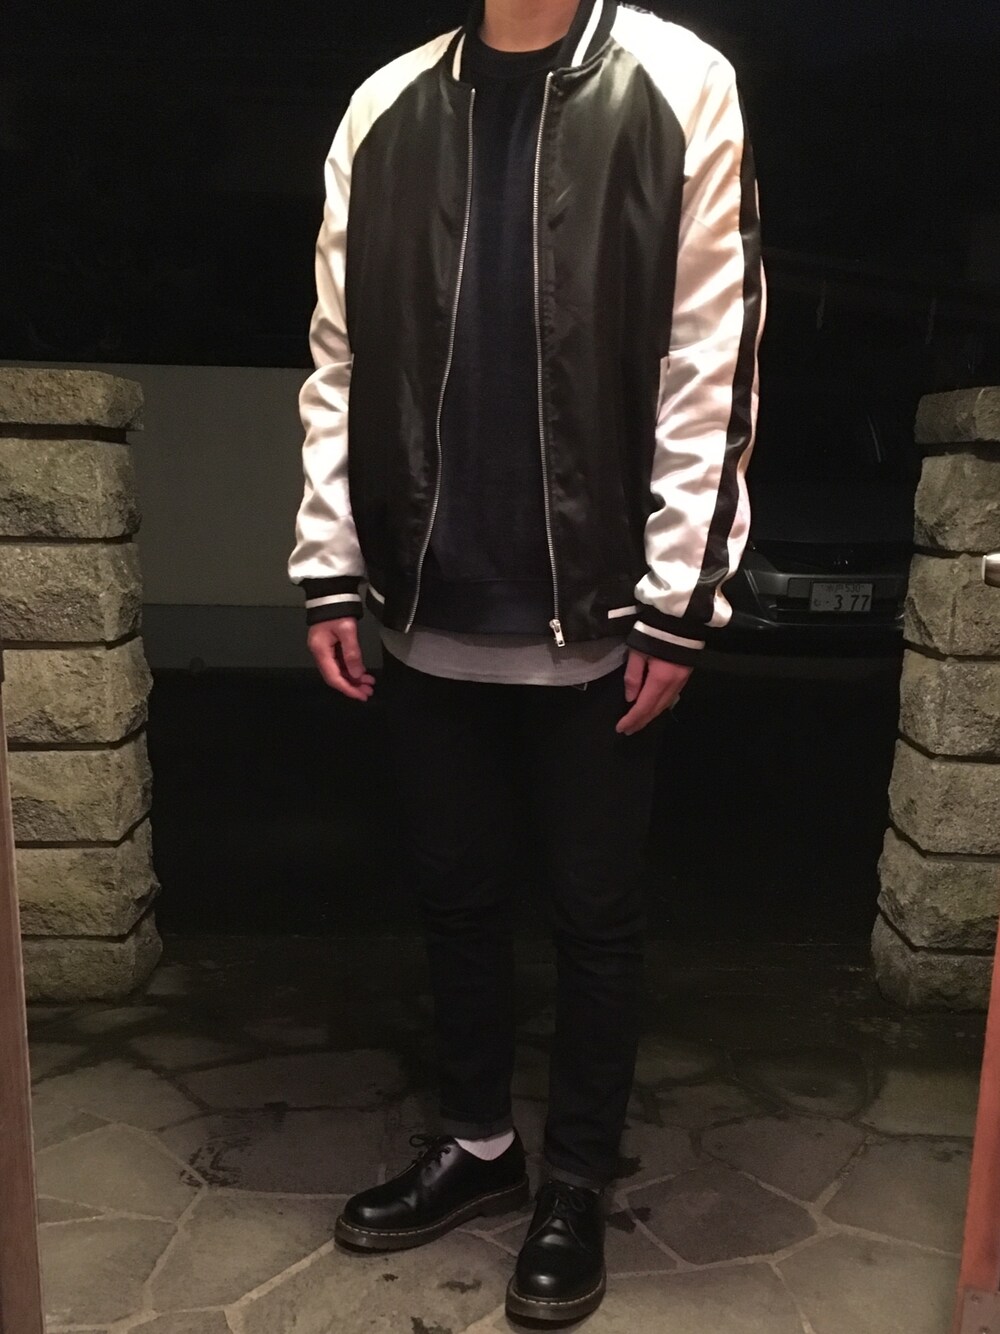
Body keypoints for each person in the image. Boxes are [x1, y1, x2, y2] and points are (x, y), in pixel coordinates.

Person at [288, 0, 764, 1320]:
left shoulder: (680, 83)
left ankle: (577, 1179)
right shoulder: (383, 107)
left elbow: (711, 353)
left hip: (601, 608)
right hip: (425, 598)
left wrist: (681, 599)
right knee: (455, 894)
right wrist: (330, 559)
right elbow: (339, 357)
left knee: (594, 915)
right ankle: (480, 1142)